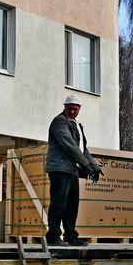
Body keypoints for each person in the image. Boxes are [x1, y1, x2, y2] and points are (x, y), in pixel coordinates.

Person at [44, 94, 103, 246]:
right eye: (69, 109)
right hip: (59, 169)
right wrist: (86, 166)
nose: (72, 112)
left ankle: (71, 236)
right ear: (64, 107)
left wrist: (94, 166)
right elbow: (70, 146)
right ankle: (53, 236)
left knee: (72, 205)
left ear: (79, 109)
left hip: (71, 170)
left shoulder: (77, 124)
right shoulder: (59, 122)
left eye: (74, 109)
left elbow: (83, 149)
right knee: (59, 203)